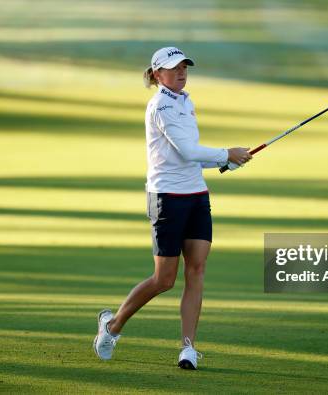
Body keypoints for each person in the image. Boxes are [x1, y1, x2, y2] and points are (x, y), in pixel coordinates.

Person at [93, 46, 252, 370]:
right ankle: (112, 326)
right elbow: (188, 150)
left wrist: (225, 161)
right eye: (174, 68)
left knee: (197, 270)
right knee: (164, 279)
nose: (181, 72)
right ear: (157, 74)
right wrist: (227, 154)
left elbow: (188, 157)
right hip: (167, 198)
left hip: (196, 195)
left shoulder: (185, 101)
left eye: (184, 67)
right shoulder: (161, 106)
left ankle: (188, 347)